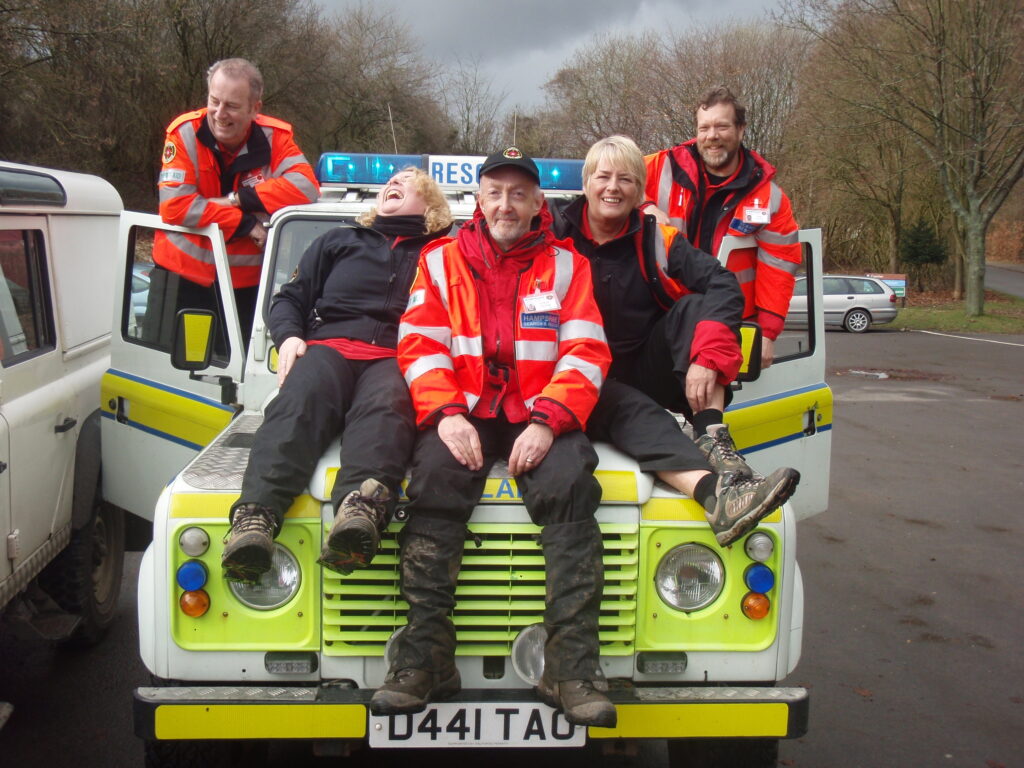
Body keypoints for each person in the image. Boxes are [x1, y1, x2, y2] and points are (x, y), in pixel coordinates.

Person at [371, 148, 616, 728]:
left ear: (537, 205)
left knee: (571, 486)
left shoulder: (567, 265)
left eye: (518, 194)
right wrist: (446, 414)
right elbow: (420, 345)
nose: (506, 204)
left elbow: (585, 351)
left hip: (538, 413)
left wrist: (548, 420)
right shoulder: (438, 260)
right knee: (431, 480)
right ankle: (426, 660)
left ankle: (572, 667)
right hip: (465, 411)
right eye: (495, 192)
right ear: (478, 200)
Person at [552, 135, 799, 545]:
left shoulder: (656, 238)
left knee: (697, 308)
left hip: (645, 369)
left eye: (627, 180)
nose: (613, 187)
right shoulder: (551, 232)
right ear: (586, 183)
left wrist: (707, 355)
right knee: (635, 415)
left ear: (640, 193)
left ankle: (714, 438)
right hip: (572, 373)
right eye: (604, 176)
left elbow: (722, 283)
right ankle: (718, 496)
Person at [220, 168, 452, 582]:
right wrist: (289, 337)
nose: (391, 185)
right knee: (298, 401)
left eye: (406, 182)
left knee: (388, 408)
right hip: (329, 346)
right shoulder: (338, 241)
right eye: (389, 182)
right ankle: (255, 520)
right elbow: (289, 299)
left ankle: (359, 514)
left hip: (397, 356)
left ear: (430, 205)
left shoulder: (443, 252)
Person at [149, 58, 319, 346]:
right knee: (170, 376)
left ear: (255, 109)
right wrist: (244, 222)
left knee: (235, 381)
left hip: (244, 290)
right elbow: (175, 206)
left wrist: (238, 199)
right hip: (179, 280)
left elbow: (306, 188)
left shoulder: (275, 138)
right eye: (214, 101)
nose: (219, 113)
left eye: (231, 106)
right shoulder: (183, 133)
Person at [643, 86, 801, 369]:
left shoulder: (769, 197)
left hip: (729, 323)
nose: (711, 136)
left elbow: (778, 266)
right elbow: (607, 182)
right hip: (664, 317)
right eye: (704, 128)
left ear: (741, 130)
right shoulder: (662, 167)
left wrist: (767, 332)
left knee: (720, 404)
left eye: (721, 126)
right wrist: (645, 206)